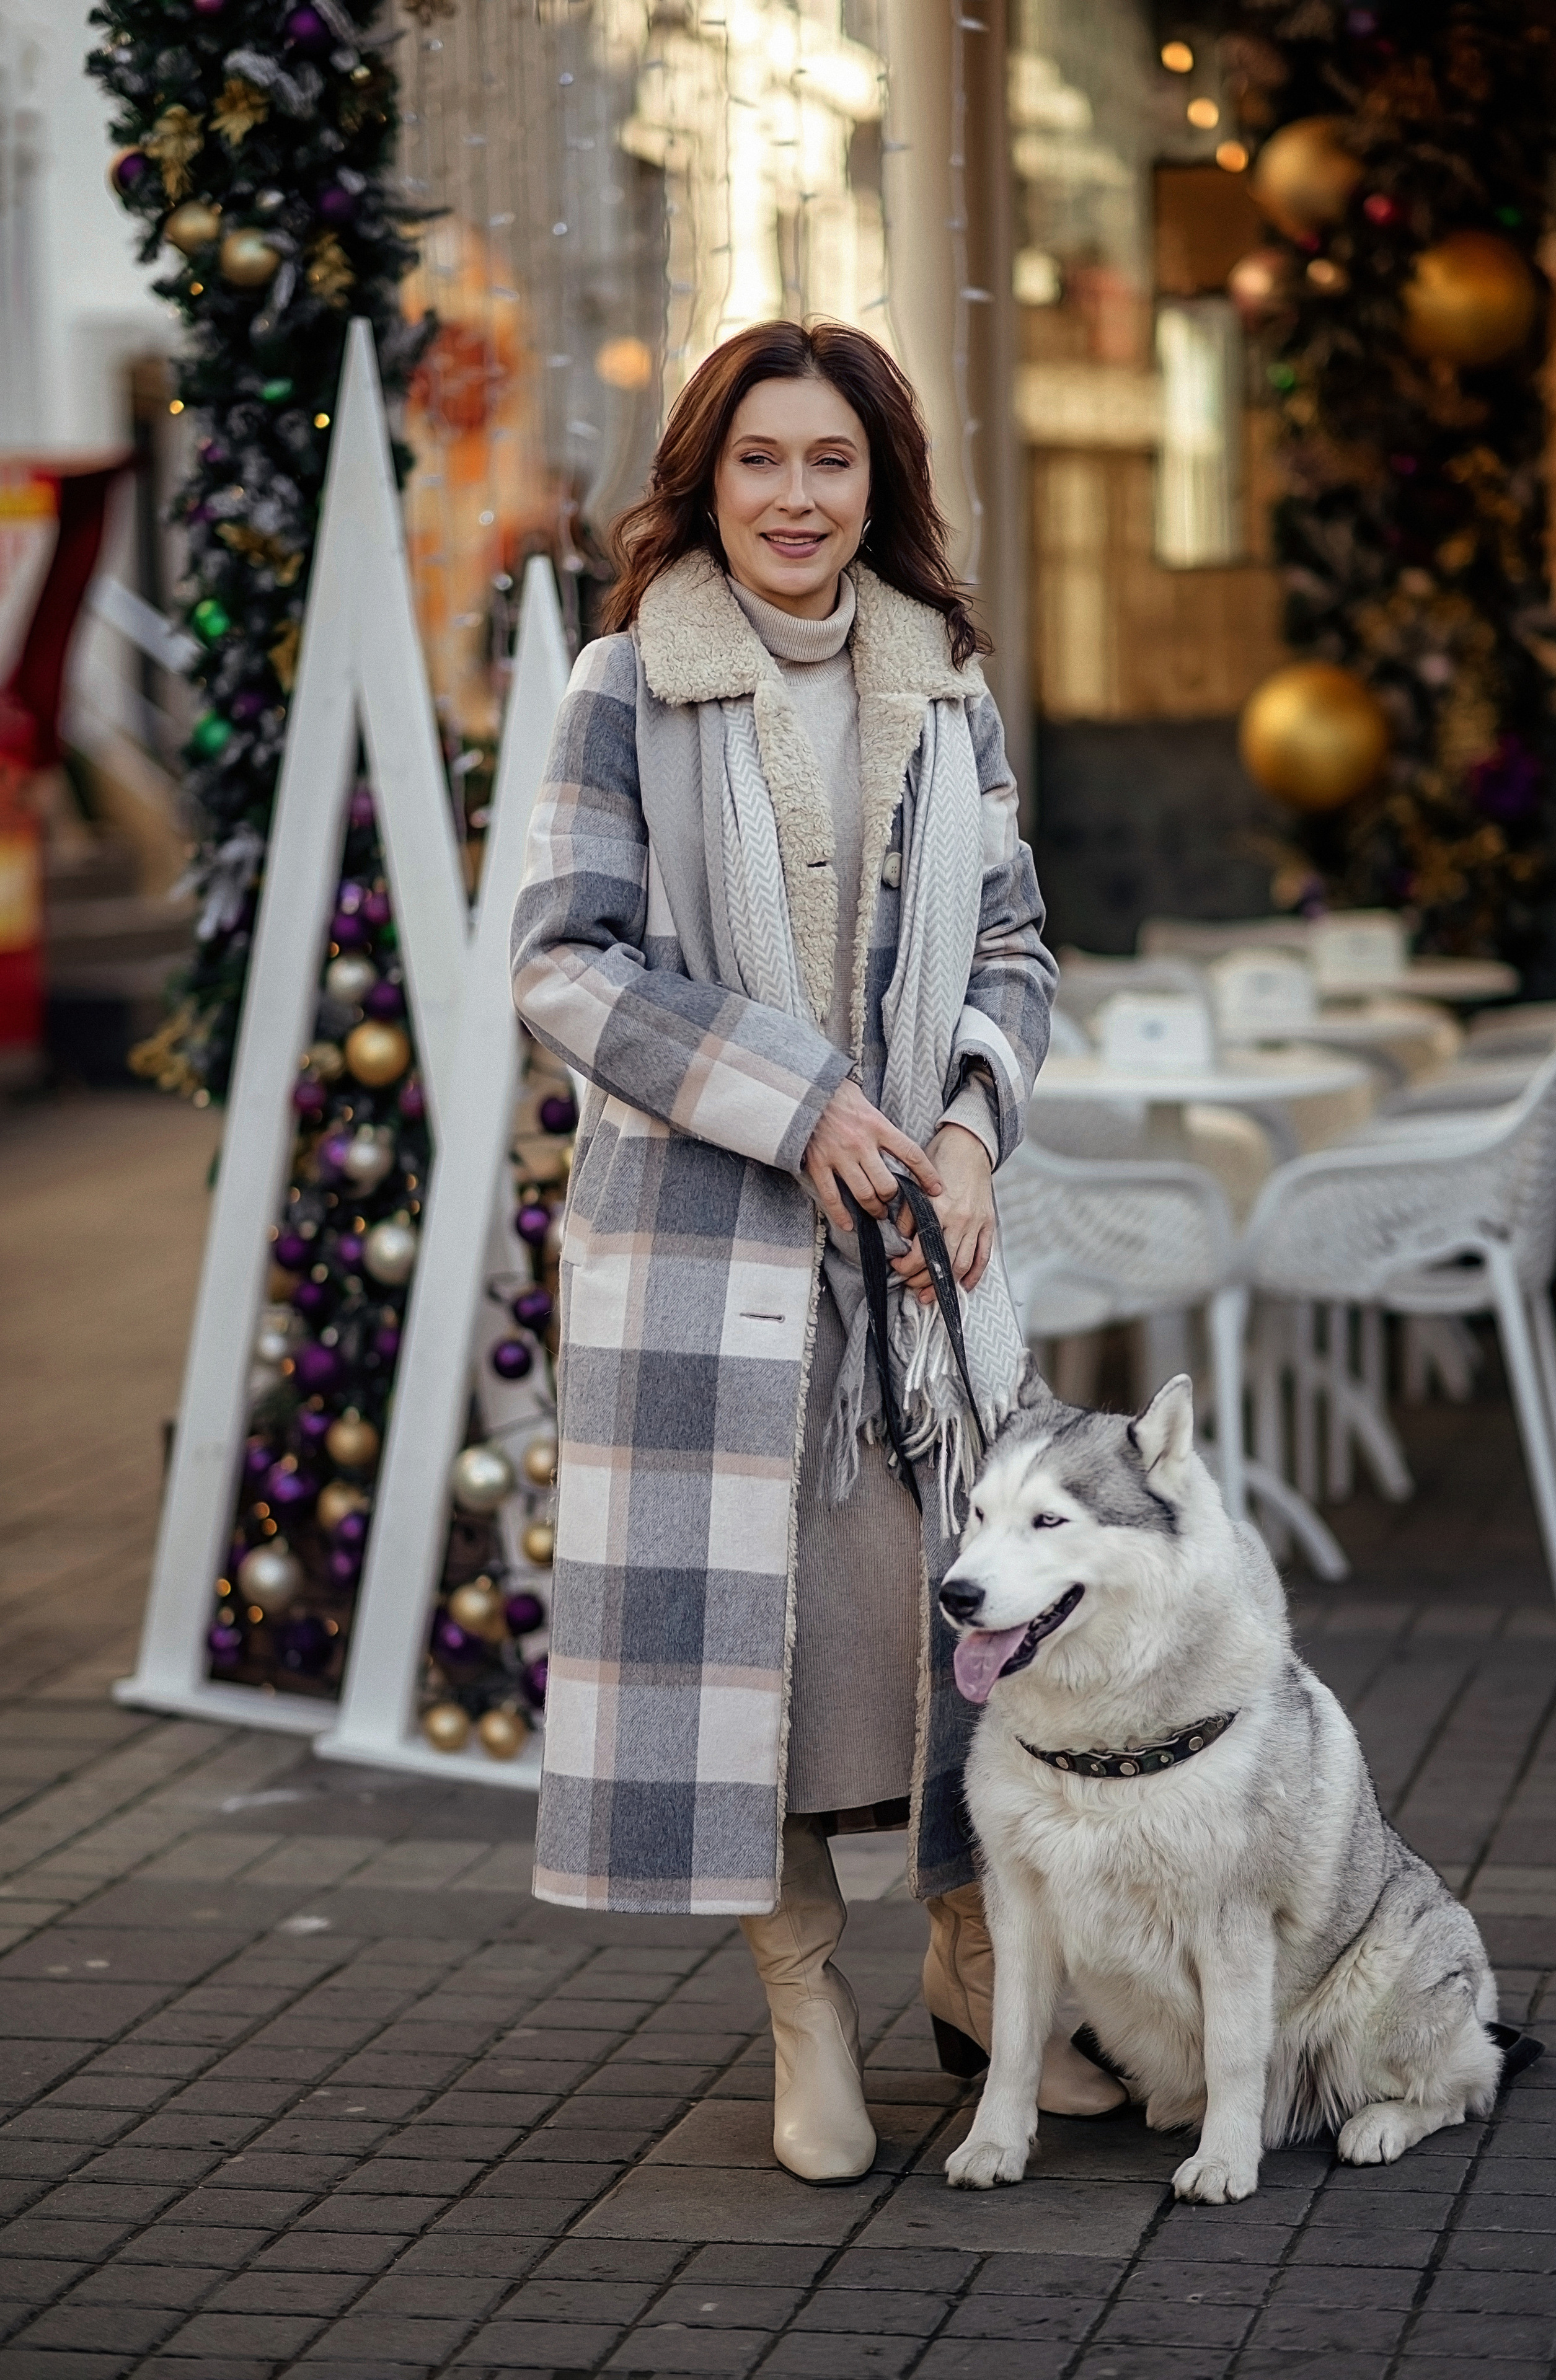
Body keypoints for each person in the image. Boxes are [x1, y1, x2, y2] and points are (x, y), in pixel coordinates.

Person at [510, 319, 1123, 2183]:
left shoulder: (948, 685)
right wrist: (802, 1101)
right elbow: (563, 961)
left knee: (949, 1643)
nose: (796, 496)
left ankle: (963, 1961)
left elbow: (1018, 944)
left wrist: (958, 1123)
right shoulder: (632, 680)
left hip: (917, 1288)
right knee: (748, 1672)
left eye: (832, 463)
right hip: (714, 1260)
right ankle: (801, 2007)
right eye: (761, 460)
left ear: (882, 488)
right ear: (709, 477)